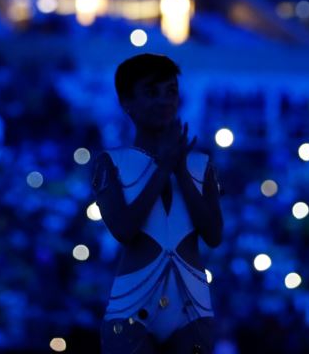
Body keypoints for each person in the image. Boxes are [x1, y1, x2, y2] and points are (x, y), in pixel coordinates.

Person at [93, 54, 224, 354]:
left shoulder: (201, 164)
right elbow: (124, 229)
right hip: (131, 303)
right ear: (127, 102)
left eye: (171, 91)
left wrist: (180, 170)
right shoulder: (111, 163)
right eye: (151, 93)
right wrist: (163, 167)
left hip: (192, 304)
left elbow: (214, 235)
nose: (165, 101)